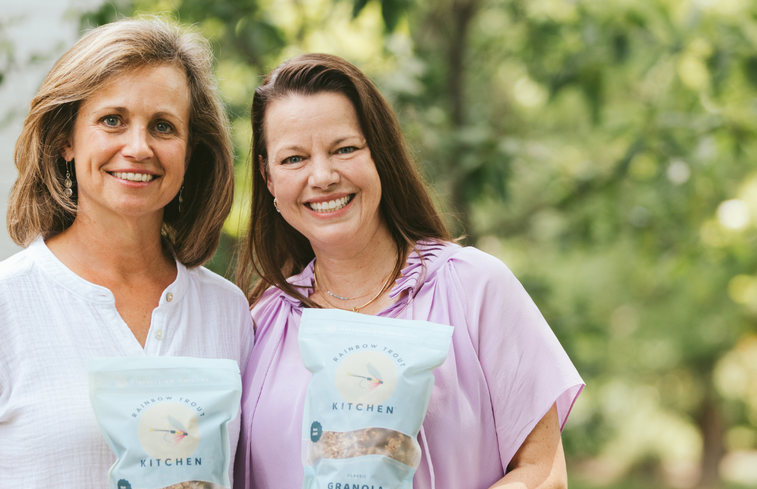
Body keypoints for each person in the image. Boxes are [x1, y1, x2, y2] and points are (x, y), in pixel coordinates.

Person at [0, 18, 253, 489]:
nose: (138, 147)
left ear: (190, 151)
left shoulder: (228, 312)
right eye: (112, 120)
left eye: (163, 126)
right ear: (66, 140)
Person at [234, 53, 584, 489]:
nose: (322, 176)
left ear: (379, 154)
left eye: (345, 149)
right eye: (293, 159)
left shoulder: (476, 288)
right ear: (268, 177)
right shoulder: (257, 326)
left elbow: (544, 474)